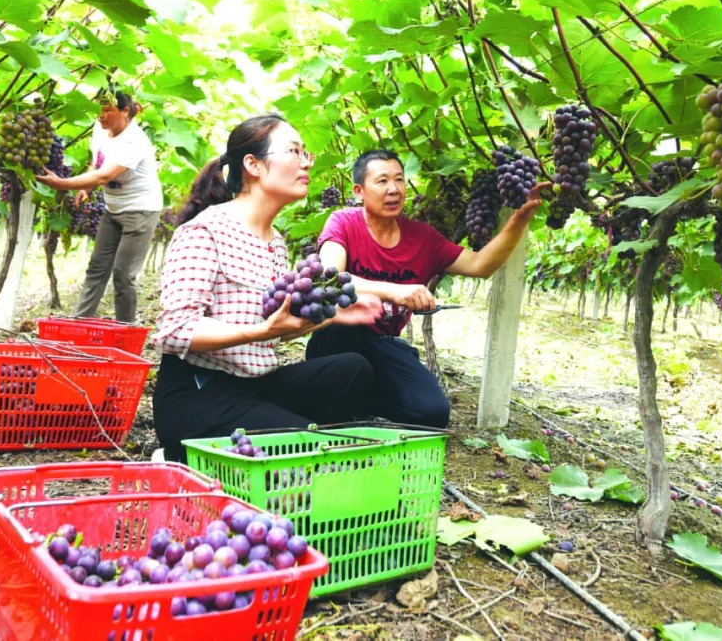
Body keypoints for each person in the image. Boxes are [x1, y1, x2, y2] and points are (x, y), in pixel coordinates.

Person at [151, 114, 382, 462]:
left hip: (254, 387)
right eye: (294, 151)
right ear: (253, 165)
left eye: (306, 154)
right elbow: (176, 331)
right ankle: (182, 453)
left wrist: (334, 317)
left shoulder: (276, 243)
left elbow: (273, 330)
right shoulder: (205, 232)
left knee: (353, 369)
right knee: (312, 450)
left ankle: (280, 432)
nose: (305, 162)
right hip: (199, 396)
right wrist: (261, 330)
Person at [306, 149, 547, 428]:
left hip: (382, 342)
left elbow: (481, 265)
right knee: (339, 339)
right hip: (338, 338)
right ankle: (338, 403)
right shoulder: (344, 222)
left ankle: (358, 401)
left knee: (431, 412)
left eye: (399, 180)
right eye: (382, 181)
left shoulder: (422, 238)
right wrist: (394, 291)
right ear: (359, 191)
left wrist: (520, 219)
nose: (393, 189)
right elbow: (331, 278)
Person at [36, 91, 163, 323]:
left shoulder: (135, 140)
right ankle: (79, 321)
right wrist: (87, 187)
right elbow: (98, 163)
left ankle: (125, 330)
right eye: (98, 110)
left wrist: (62, 183)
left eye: (107, 110)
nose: (101, 116)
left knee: (123, 274)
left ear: (126, 111)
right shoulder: (100, 130)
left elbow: (105, 176)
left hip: (140, 211)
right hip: (113, 209)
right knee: (97, 267)